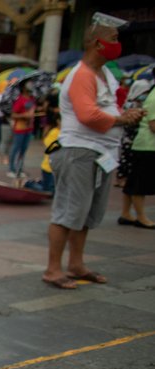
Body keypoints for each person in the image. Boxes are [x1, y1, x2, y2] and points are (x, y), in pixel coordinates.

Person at [42, 13, 146, 289]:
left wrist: (125, 114)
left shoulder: (105, 74)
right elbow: (89, 115)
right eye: (113, 39)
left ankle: (76, 263)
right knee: (67, 213)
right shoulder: (82, 76)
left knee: (85, 214)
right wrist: (122, 119)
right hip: (79, 151)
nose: (118, 44)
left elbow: (106, 109)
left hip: (100, 153)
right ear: (97, 44)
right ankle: (53, 269)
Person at [118, 79, 155, 229]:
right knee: (141, 183)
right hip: (147, 145)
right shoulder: (154, 97)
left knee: (133, 180)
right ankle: (141, 217)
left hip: (144, 144)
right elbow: (153, 125)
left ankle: (126, 213)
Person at [24, 111, 60, 195]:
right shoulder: (54, 132)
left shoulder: (66, 133)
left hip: (58, 168)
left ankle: (41, 182)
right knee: (48, 192)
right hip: (49, 168)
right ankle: (29, 183)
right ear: (58, 121)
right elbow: (49, 147)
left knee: (55, 190)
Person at [8, 82, 36, 178]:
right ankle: (11, 169)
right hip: (20, 128)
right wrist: (23, 115)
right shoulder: (19, 100)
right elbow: (13, 114)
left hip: (29, 128)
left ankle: (19, 169)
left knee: (23, 150)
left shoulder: (32, 99)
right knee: (16, 148)